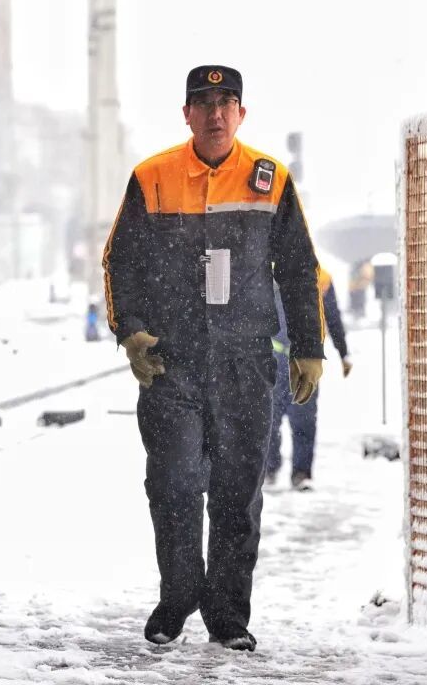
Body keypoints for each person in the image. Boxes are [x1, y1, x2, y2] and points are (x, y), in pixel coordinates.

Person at [102, 65, 325, 651]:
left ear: (242, 113)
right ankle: (178, 597)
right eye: (204, 103)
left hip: (245, 365)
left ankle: (227, 615)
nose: (217, 113)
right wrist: (132, 333)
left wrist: (308, 348)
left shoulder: (269, 179)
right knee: (173, 484)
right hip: (171, 365)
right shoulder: (151, 178)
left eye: (227, 102)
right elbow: (119, 262)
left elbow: (300, 268)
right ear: (187, 114)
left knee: (236, 492)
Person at [266, 269, 351, 491]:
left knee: (302, 418)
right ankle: (270, 468)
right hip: (274, 356)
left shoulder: (320, 277)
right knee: (269, 417)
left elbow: (332, 316)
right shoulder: (269, 270)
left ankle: (301, 473)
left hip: (305, 358)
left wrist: (343, 352)